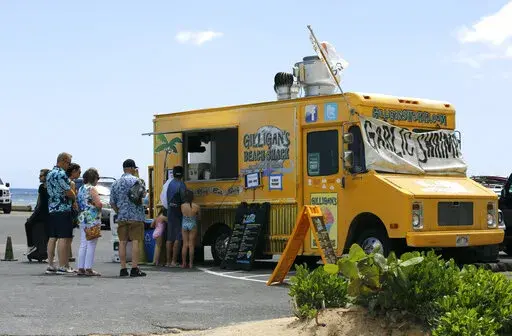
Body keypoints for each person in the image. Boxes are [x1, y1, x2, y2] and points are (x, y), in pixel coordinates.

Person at [110, 159, 147, 277]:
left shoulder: (116, 183)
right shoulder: (138, 181)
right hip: (136, 216)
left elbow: (112, 202)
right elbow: (144, 198)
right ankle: (135, 268)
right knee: (135, 241)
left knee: (122, 242)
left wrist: (119, 211)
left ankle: (123, 268)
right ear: (132, 168)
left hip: (122, 216)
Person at [45, 152, 76, 275]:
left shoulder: (49, 174)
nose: (68, 166)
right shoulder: (61, 174)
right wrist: (74, 197)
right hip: (63, 208)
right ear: (62, 161)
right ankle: (63, 265)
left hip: (52, 208)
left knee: (53, 237)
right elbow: (68, 191)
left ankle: (51, 265)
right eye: (68, 163)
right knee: (64, 237)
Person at [76, 168, 102, 276]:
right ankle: (88, 268)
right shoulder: (92, 189)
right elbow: (98, 204)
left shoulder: (81, 188)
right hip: (92, 218)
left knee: (83, 243)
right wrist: (101, 206)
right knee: (91, 243)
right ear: (94, 178)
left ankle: (80, 267)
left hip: (83, 217)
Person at [25, 169, 50, 256]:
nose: (39, 177)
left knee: (48, 233)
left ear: (46, 177)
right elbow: (39, 200)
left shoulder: (51, 187)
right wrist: (35, 210)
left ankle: (47, 252)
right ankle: (31, 245)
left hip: (47, 212)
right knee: (28, 224)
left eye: (41, 175)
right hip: (40, 211)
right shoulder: (41, 187)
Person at [165, 165, 186, 267]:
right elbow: (183, 199)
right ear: (182, 174)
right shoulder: (181, 185)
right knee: (178, 237)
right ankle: (174, 261)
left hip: (170, 211)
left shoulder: (170, 184)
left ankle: (168, 261)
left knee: (170, 237)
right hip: (178, 212)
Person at [65, 163, 81, 266]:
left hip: (66, 210)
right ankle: (66, 257)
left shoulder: (66, 181)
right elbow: (73, 199)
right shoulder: (71, 183)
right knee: (69, 236)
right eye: (79, 172)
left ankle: (68, 255)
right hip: (71, 211)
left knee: (68, 235)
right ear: (73, 171)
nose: (80, 174)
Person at [180, 189, 200, 269]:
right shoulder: (196, 206)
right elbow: (199, 217)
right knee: (191, 245)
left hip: (184, 224)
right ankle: (191, 263)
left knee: (185, 245)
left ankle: (184, 263)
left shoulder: (182, 206)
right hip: (193, 223)